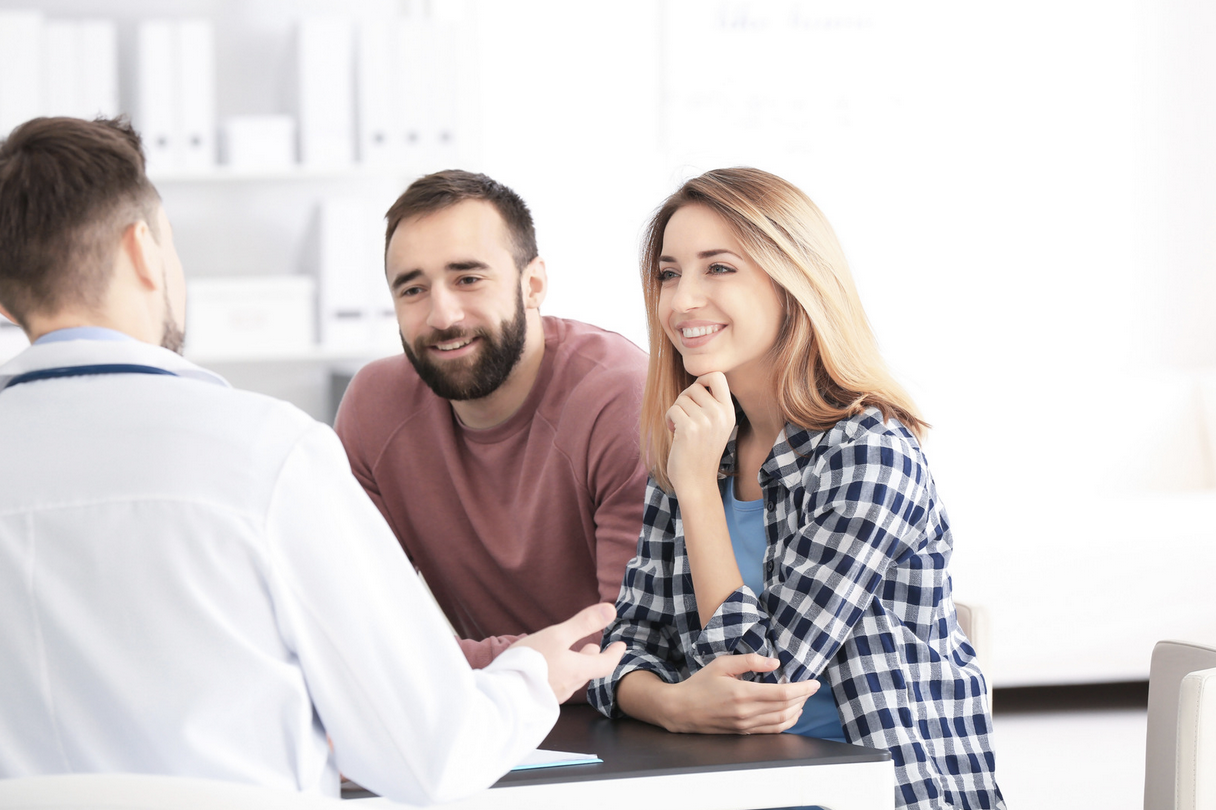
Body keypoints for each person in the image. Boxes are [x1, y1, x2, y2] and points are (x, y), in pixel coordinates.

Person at [0, 116, 624, 804]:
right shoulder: (265, 455)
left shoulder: (608, 392)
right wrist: (529, 673)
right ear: (145, 251)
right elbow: (429, 758)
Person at [588, 168, 1005, 810]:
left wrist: (698, 493)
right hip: (731, 788)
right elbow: (623, 646)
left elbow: (764, 679)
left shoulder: (869, 452)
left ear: (794, 280)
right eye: (670, 274)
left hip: (874, 794)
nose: (681, 301)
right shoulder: (701, 440)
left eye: (718, 268)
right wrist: (670, 703)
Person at [334, 170, 648, 674]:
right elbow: (346, 626)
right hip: (489, 714)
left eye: (468, 279)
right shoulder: (376, 406)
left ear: (533, 285)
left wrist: (431, 664)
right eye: (413, 289)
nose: (442, 315)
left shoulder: (619, 396)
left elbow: (621, 646)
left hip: (627, 720)